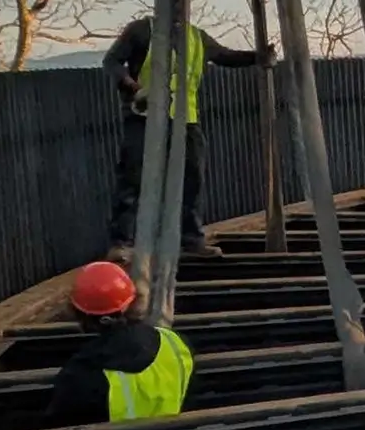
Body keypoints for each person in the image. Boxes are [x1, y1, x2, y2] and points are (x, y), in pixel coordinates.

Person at [102, 13, 267, 256]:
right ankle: (121, 242)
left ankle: (191, 240)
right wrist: (132, 87)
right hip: (144, 116)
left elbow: (225, 56)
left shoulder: (195, 36)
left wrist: (258, 57)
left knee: (192, 179)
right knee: (134, 178)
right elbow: (112, 62)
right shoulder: (142, 30)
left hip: (185, 119)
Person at [40, 260, 194, 427]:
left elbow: (59, 425)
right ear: (132, 301)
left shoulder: (81, 374)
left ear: (81, 314)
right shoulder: (175, 343)